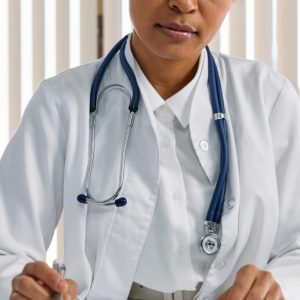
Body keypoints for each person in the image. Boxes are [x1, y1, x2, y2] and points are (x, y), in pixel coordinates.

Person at [0, 0, 299, 299]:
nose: (183, 4)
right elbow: (6, 249)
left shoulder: (268, 98)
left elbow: (295, 249)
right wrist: (26, 287)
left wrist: (277, 288)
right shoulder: (60, 103)